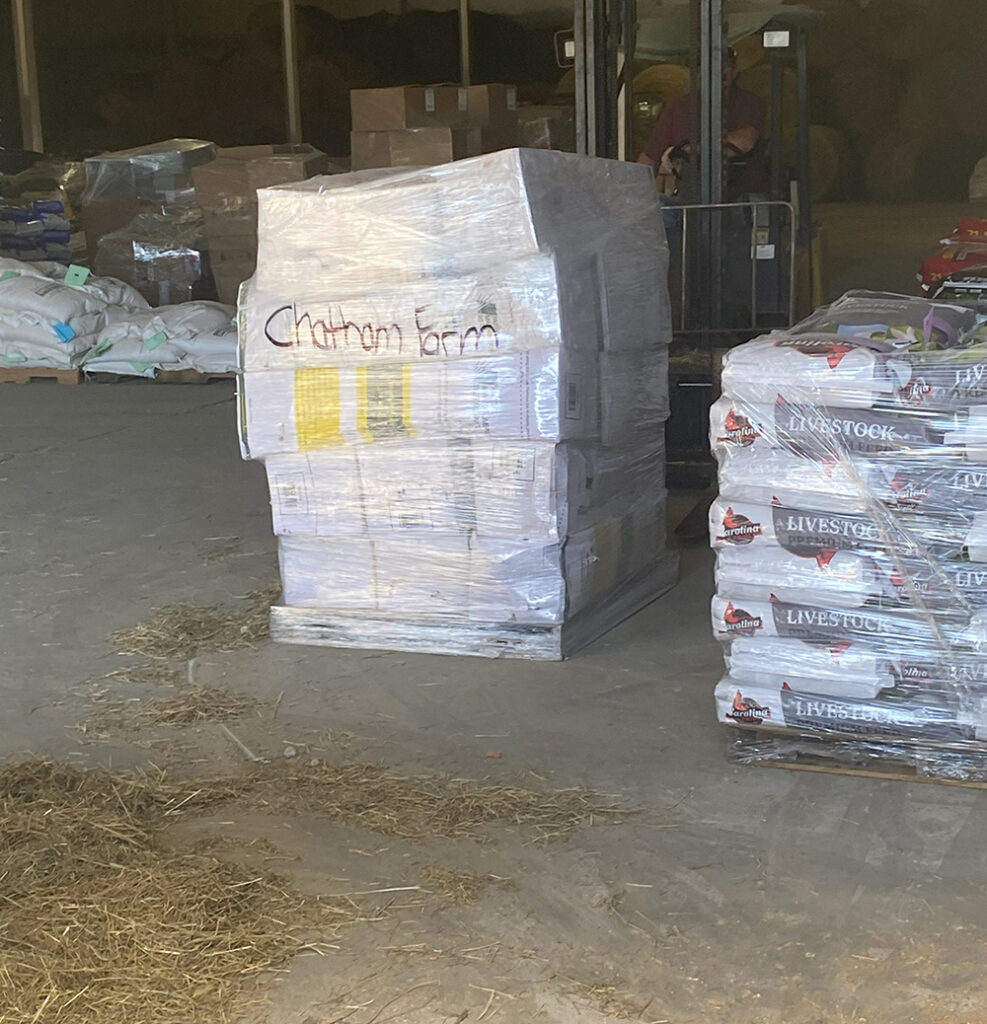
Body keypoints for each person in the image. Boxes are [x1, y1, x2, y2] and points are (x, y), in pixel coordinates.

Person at [637, 47, 768, 202]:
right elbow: (648, 160)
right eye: (709, 68)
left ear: (734, 71)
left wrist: (692, 149)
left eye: (725, 68)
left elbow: (744, 142)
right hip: (690, 200)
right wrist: (631, 198)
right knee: (664, 212)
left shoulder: (749, 102)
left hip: (742, 201)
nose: (720, 75)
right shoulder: (677, 107)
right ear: (697, 73)